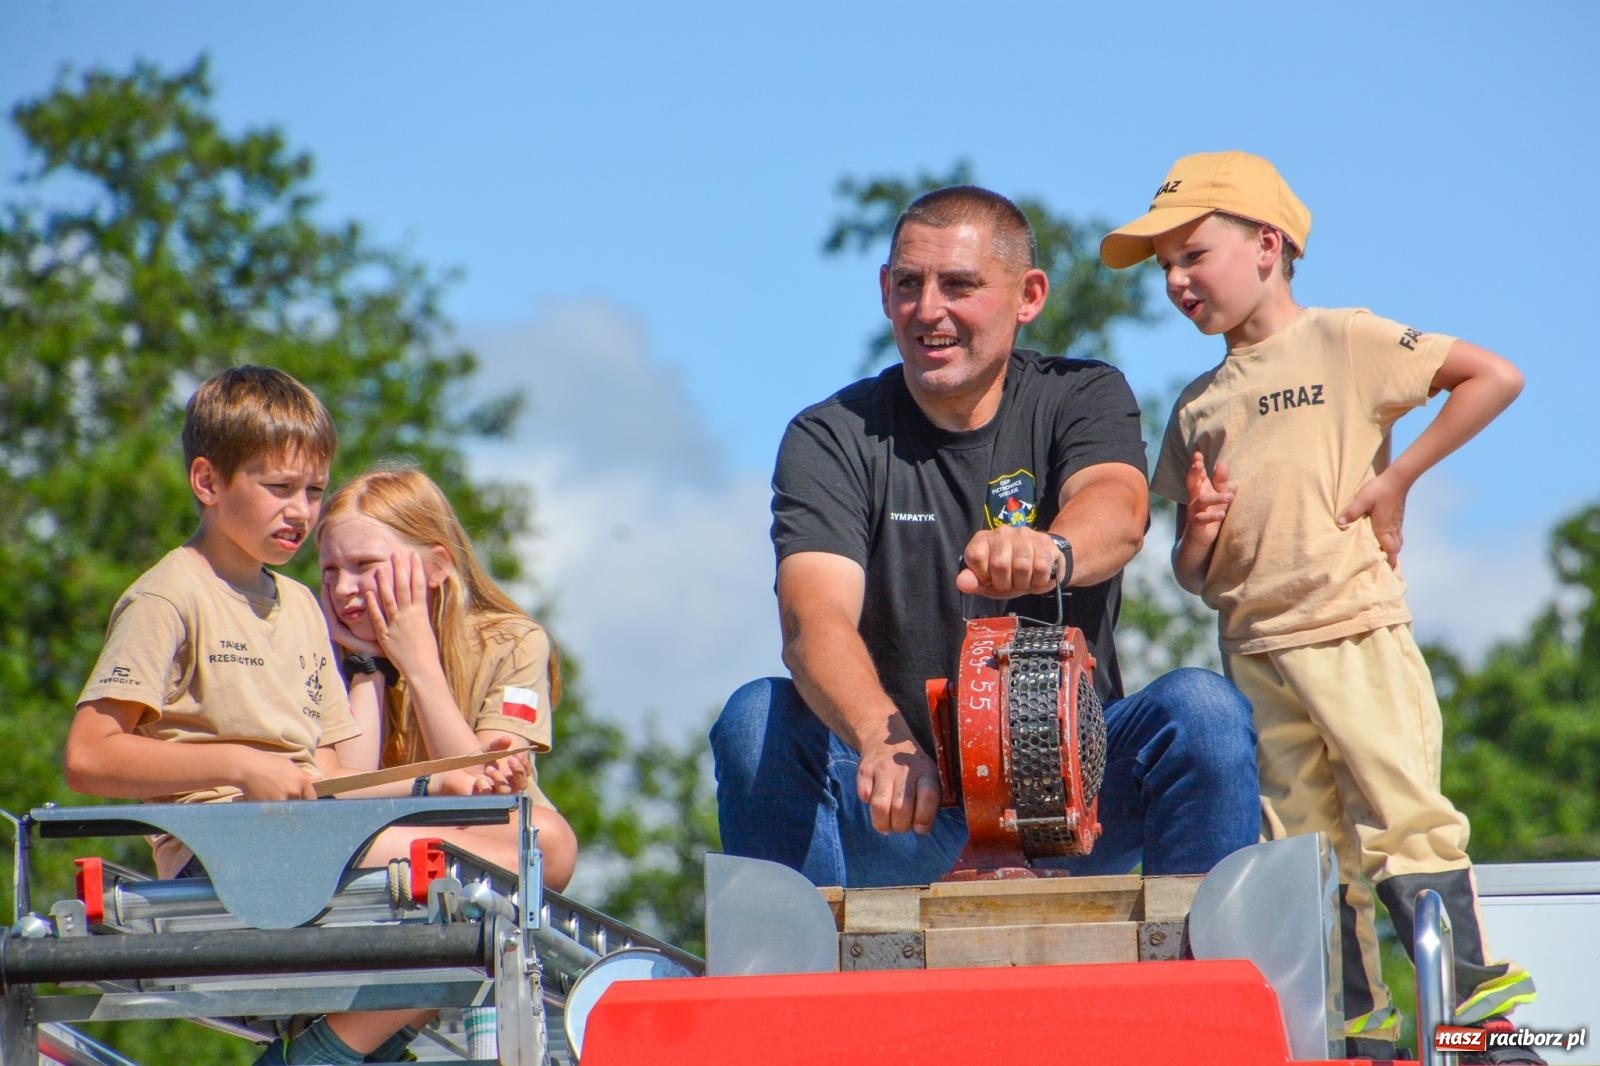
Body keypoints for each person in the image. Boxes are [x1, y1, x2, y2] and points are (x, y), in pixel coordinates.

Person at [1101, 150, 1535, 1062]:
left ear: (1268, 245)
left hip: (1352, 630)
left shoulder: (1345, 339)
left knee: (1401, 819)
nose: (1177, 282)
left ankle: (1477, 1028)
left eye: (1192, 255)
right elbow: (1188, 570)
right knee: (1305, 853)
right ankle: (1359, 1032)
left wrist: (1401, 479)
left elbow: (1494, 376)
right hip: (1253, 650)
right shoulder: (1195, 407)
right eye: (1165, 269)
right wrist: (1197, 539)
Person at [710, 185, 1259, 892]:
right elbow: (813, 619)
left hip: (1070, 797)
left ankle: (1202, 979)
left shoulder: (1081, 393)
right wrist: (883, 741)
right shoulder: (833, 435)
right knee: (758, 720)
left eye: (960, 285)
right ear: (883, 291)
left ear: (1028, 295)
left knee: (1204, 713)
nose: (928, 309)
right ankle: (793, 983)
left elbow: (1117, 508)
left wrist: (1052, 551)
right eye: (908, 284)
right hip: (909, 802)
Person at [64, 366, 512, 1066]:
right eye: (278, 489)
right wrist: (239, 767)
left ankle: (348, 1047)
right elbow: (89, 756)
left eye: (312, 491)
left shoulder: (302, 605)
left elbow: (331, 773)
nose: (301, 511)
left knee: (533, 849)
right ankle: (330, 1051)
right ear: (208, 483)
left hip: (305, 845)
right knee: (474, 888)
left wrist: (430, 787)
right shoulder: (168, 596)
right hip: (218, 858)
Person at [315, 465, 578, 890]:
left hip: (474, 829)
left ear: (437, 566)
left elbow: (480, 795)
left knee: (548, 840)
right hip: (366, 827)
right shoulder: (316, 652)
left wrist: (419, 667)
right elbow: (347, 791)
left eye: (365, 565)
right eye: (330, 571)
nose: (344, 588)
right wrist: (368, 666)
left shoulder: (511, 642)